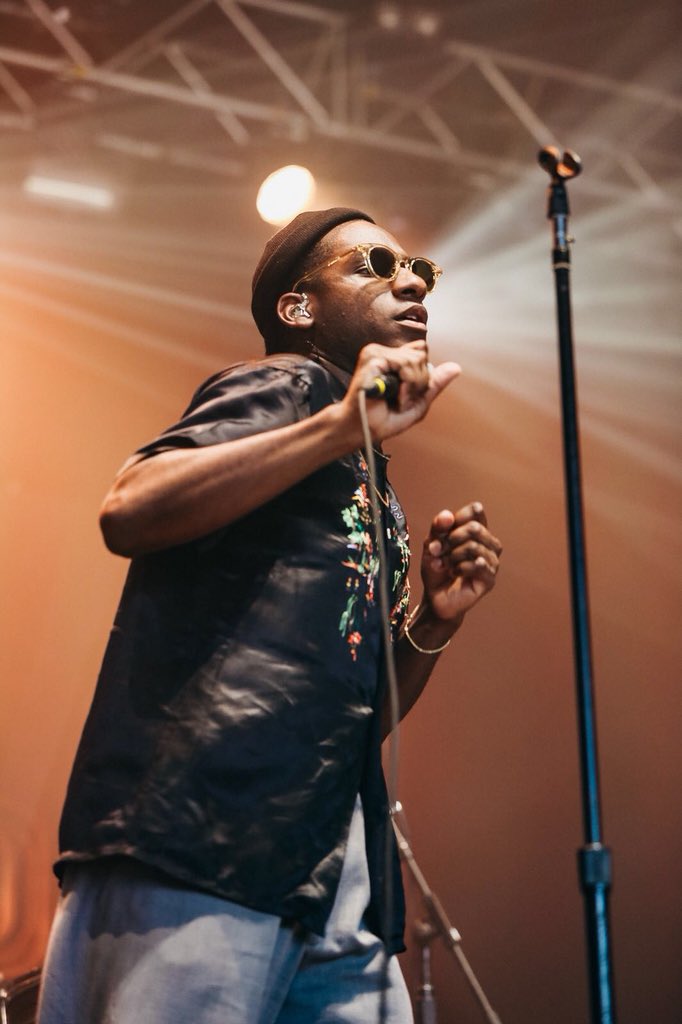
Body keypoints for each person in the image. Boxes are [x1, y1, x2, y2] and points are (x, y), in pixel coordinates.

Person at [37, 207, 502, 1024]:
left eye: (420, 270)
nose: (411, 283)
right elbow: (130, 508)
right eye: (375, 264)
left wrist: (434, 619)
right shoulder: (286, 385)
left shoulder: (365, 467)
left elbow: (359, 717)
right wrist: (337, 425)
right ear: (299, 307)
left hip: (329, 860)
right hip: (206, 832)